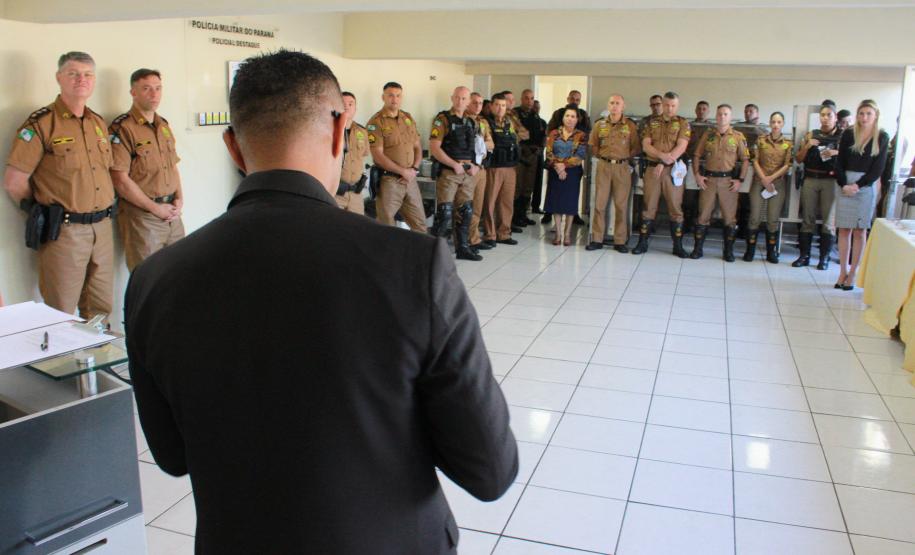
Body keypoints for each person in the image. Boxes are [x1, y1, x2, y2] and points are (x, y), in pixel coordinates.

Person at [125, 50, 518, 555]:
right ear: (340, 133)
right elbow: (490, 469)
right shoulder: (412, 265)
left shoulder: (155, 278)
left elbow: (173, 455)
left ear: (232, 147)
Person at [4, 51, 115, 319]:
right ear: (59, 78)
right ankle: (62, 362)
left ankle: (95, 359)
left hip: (102, 229)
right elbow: (13, 181)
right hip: (66, 232)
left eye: (87, 74)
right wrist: (41, 213)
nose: (81, 80)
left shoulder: (97, 123)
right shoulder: (41, 124)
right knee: (61, 312)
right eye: (73, 74)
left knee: (101, 309)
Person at [109, 68, 185, 272]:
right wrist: (156, 209)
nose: (154, 94)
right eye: (147, 89)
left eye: (158, 88)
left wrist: (179, 199)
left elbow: (172, 166)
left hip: (172, 214)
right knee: (147, 279)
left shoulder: (163, 125)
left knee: (179, 275)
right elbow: (120, 179)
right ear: (133, 92)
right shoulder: (122, 128)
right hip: (144, 218)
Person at [833, 99, 890, 290]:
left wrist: (858, 185)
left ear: (875, 116)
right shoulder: (849, 134)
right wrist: (844, 184)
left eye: (868, 114)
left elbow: (878, 168)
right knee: (843, 229)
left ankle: (853, 272)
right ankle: (842, 270)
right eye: (861, 113)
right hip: (845, 183)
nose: (864, 117)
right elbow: (839, 162)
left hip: (865, 186)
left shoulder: (882, 136)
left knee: (859, 231)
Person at [429, 86, 484, 261]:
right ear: (452, 98)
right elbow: (434, 148)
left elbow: (479, 148)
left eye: (464, 99)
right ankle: (435, 253)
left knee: (466, 211)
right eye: (457, 98)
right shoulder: (442, 119)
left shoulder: (472, 122)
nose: (460, 102)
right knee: (444, 213)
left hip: (467, 173)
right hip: (449, 172)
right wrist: (453, 164)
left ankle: (463, 248)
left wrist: (476, 165)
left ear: (468, 102)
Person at [634, 91, 691, 256]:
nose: (669, 108)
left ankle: (678, 246)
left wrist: (665, 161)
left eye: (673, 105)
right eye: (666, 105)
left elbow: (682, 146)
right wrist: (662, 158)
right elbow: (646, 146)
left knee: (675, 208)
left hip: (673, 171)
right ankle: (642, 243)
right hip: (653, 170)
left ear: (677, 106)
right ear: (662, 104)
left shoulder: (683, 123)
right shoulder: (650, 123)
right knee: (648, 206)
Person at [691, 104, 749, 261]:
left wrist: (740, 180)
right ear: (715, 116)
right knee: (703, 215)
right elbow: (696, 155)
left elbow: (745, 160)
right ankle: (698, 249)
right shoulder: (708, 135)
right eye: (720, 114)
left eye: (725, 114)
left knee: (730, 218)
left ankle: (728, 251)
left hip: (728, 181)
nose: (722, 117)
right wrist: (697, 174)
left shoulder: (738, 136)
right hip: (708, 180)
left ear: (730, 117)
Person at [366, 82, 427, 232]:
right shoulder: (376, 122)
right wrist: (402, 171)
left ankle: (420, 255)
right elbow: (378, 155)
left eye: (398, 95)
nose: (395, 99)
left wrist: (414, 168)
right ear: (383, 97)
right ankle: (388, 255)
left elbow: (417, 146)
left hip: (410, 178)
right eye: (390, 95)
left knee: (420, 224)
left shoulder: (407, 118)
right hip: (390, 181)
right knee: (386, 225)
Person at [586, 94, 640, 252]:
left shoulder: (630, 125)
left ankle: (620, 241)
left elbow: (636, 146)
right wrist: (603, 157)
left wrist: (624, 158)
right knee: (599, 205)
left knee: (621, 206)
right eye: (612, 103)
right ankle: (597, 239)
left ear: (623, 106)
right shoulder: (599, 125)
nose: (614, 106)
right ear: (608, 105)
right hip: (603, 166)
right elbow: (593, 145)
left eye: (618, 103)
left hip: (622, 168)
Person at [793, 104, 841, 269]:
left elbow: (851, 160)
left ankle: (824, 258)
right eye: (822, 115)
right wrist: (808, 145)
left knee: (829, 221)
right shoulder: (811, 135)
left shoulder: (843, 137)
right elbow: (798, 159)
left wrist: (837, 153)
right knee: (807, 219)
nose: (825, 118)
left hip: (831, 181)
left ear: (836, 117)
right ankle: (804, 256)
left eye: (829, 115)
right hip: (811, 179)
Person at [745, 111, 792, 263]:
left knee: (772, 219)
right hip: (759, 181)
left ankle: (771, 252)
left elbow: (787, 164)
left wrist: (771, 178)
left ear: (783, 124)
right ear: (770, 123)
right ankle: (750, 250)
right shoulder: (761, 140)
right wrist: (764, 179)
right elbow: (755, 160)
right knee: (754, 217)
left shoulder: (788, 143)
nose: (776, 125)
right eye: (773, 122)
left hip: (777, 183)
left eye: (779, 122)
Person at [544, 108, 587, 246]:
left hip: (573, 171)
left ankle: (567, 234)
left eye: (573, 116)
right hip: (555, 170)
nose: (570, 118)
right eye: (567, 116)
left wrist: (565, 165)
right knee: (556, 202)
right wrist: (558, 166)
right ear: (563, 118)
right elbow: (549, 152)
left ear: (577, 119)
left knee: (570, 203)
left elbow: (581, 154)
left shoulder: (581, 135)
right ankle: (558, 233)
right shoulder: (554, 133)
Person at [483, 93, 521, 247]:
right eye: (497, 105)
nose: (500, 108)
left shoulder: (509, 122)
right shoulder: (485, 123)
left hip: (510, 167)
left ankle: (504, 233)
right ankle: (490, 234)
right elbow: (486, 143)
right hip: (494, 168)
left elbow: (518, 138)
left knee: (506, 202)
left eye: (503, 105)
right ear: (491, 106)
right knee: (490, 202)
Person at [514, 89, 546, 227]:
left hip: (533, 155)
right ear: (521, 98)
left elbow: (540, 136)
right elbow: (520, 135)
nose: (529, 101)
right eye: (526, 98)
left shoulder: (536, 117)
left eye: (532, 98)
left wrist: (539, 149)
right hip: (520, 155)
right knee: (518, 187)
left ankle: (523, 214)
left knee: (528, 187)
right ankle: (515, 217)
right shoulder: (515, 114)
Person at [466, 92, 494, 253]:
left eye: (481, 103)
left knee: (477, 206)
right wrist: (480, 144)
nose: (478, 106)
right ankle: (464, 240)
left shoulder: (482, 122)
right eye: (474, 102)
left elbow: (492, 144)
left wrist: (479, 142)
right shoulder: (463, 120)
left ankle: (474, 238)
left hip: (481, 167)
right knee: (465, 206)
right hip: (468, 169)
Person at [334, 91, 370, 214]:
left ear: (355, 108)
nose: (347, 106)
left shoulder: (362, 131)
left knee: (358, 229)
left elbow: (363, 154)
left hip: (355, 193)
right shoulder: (329, 129)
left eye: (351, 104)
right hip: (335, 193)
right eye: (343, 103)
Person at [528, 99, 549, 215]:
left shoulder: (543, 122)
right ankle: (526, 206)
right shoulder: (526, 120)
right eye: (534, 107)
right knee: (527, 181)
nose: (536, 110)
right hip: (528, 154)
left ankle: (536, 206)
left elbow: (545, 138)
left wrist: (541, 149)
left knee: (538, 181)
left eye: (538, 108)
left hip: (539, 153)